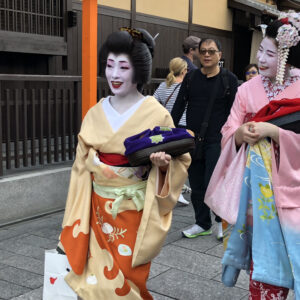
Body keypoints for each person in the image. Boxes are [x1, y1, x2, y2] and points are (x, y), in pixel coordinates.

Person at [57, 28, 190, 299]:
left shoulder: (156, 113)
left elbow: (179, 160)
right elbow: (80, 169)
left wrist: (163, 166)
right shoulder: (95, 112)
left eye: (123, 67)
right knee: (94, 279)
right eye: (109, 65)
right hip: (96, 211)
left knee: (128, 278)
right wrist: (73, 218)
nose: (114, 75)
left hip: (135, 212)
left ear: (138, 70)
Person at [205, 11, 300, 299]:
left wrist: (274, 132)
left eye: (270, 53)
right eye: (260, 49)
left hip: (292, 190)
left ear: (287, 56)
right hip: (256, 192)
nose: (261, 58)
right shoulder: (248, 89)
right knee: (262, 257)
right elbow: (228, 128)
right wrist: (237, 136)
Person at [171, 38, 238, 239]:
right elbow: (178, 106)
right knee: (197, 183)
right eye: (203, 51)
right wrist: (171, 131)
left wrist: (231, 137)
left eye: (211, 51)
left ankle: (220, 221)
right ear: (198, 54)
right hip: (192, 139)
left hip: (217, 140)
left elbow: (235, 112)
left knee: (213, 183)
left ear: (220, 54)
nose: (207, 55)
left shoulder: (229, 79)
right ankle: (202, 223)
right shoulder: (191, 78)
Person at [153, 57, 190, 205]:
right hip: (182, 126)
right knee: (181, 161)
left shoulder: (163, 85)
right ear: (183, 70)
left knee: (171, 160)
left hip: (167, 127)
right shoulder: (186, 87)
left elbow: (153, 102)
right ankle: (177, 191)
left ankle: (172, 189)